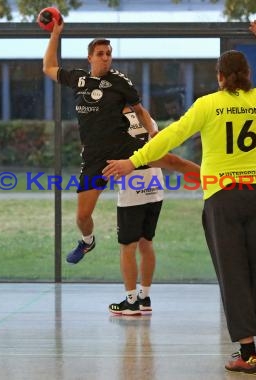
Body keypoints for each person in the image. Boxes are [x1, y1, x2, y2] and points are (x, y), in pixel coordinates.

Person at [103, 17, 256, 374]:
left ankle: (246, 354)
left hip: (223, 198)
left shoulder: (207, 105)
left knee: (233, 273)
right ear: (248, 74)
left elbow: (169, 137)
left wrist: (133, 161)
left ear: (219, 77)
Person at [42, 18, 200, 265]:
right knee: (82, 217)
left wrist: (152, 133)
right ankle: (87, 242)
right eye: (100, 54)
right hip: (95, 158)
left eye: (109, 54)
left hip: (124, 148)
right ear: (90, 58)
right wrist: (55, 34)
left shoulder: (120, 82)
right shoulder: (78, 79)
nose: (106, 58)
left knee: (172, 161)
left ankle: (216, 183)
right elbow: (48, 67)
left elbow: (140, 110)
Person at [108, 107, 164, 316]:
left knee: (127, 247)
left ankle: (131, 301)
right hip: (155, 190)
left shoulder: (115, 126)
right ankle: (144, 297)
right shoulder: (150, 121)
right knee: (146, 243)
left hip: (132, 194)